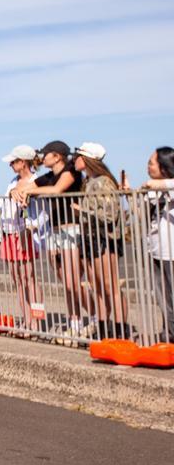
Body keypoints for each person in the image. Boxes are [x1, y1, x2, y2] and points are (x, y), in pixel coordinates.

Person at [13, 140, 88, 339]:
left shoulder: (71, 172)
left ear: (57, 156)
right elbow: (27, 186)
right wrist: (18, 191)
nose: (42, 157)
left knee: (73, 281)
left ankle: (96, 317)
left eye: (46, 154)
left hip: (71, 230)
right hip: (54, 232)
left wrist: (29, 191)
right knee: (66, 281)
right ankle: (75, 322)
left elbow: (57, 190)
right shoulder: (48, 176)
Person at [0, 145, 45, 330]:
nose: (10, 165)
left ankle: (37, 319)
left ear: (23, 162)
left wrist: (30, 229)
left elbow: (41, 211)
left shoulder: (37, 181)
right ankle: (26, 319)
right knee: (17, 278)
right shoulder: (12, 182)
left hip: (24, 233)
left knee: (29, 277)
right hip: (8, 233)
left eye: (13, 162)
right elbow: (3, 205)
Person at [73, 143, 129, 340]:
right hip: (91, 238)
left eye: (77, 156)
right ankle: (104, 330)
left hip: (105, 238)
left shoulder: (103, 182)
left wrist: (82, 211)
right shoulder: (89, 181)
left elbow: (110, 214)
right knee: (96, 285)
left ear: (88, 158)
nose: (74, 159)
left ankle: (121, 330)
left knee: (109, 285)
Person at [128, 147, 174, 341]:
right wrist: (130, 195)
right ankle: (169, 334)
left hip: (171, 250)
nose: (147, 167)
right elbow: (142, 216)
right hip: (155, 249)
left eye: (151, 163)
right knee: (163, 297)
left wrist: (151, 184)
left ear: (164, 166)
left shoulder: (166, 185)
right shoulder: (153, 191)